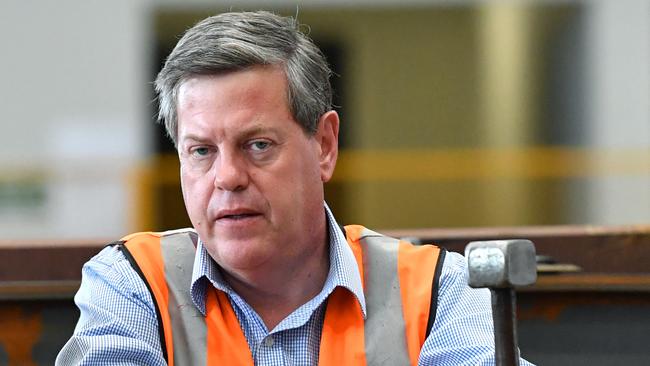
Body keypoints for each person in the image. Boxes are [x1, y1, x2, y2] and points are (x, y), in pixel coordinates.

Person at [57, 10, 533, 365]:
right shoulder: (133, 286)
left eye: (258, 145)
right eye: (201, 151)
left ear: (324, 145)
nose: (227, 177)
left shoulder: (437, 292)